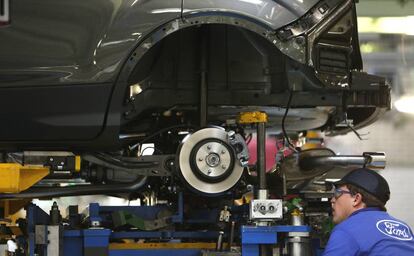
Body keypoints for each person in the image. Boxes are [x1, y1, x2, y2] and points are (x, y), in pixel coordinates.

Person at [323, 168, 414, 255]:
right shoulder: (403, 227)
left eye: (337, 193)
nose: (332, 200)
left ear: (356, 199)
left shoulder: (347, 229)